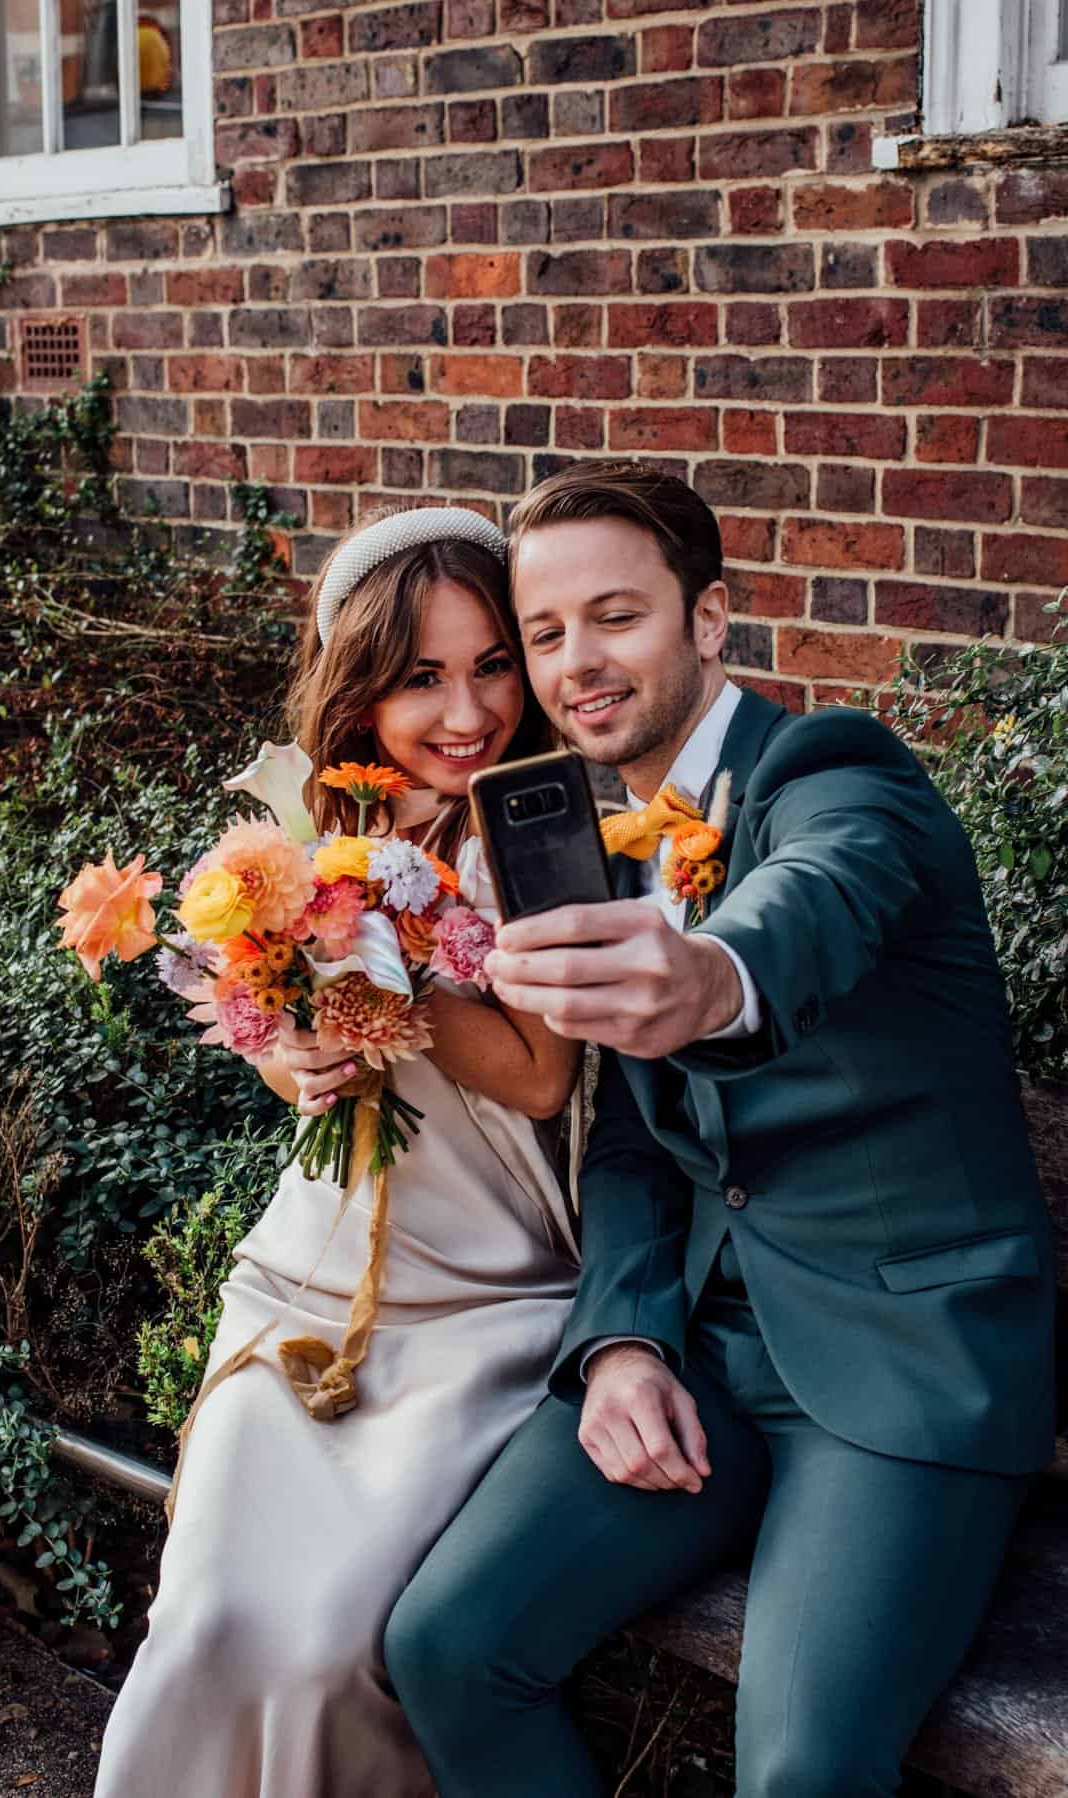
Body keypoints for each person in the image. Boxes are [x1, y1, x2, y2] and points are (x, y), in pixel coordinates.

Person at [385, 461, 1057, 1798]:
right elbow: (639, 1142)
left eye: (616, 616)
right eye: (549, 633)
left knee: (802, 1770)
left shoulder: (834, 769)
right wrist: (626, 1339)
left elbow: (816, 896)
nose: (578, 663)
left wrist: (704, 981)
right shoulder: (586, 828)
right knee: (448, 1645)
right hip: (701, 1351)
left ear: (709, 618)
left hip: (900, 1361)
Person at [94, 508, 581, 1798]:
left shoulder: (535, 834)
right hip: (305, 1283)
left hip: (484, 1310)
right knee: (204, 1627)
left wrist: (385, 959)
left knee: (323, 1652)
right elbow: (269, 1027)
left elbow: (540, 1074)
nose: (467, 710)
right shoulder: (302, 830)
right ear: (360, 688)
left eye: (492, 665)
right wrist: (288, 1038)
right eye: (422, 677)